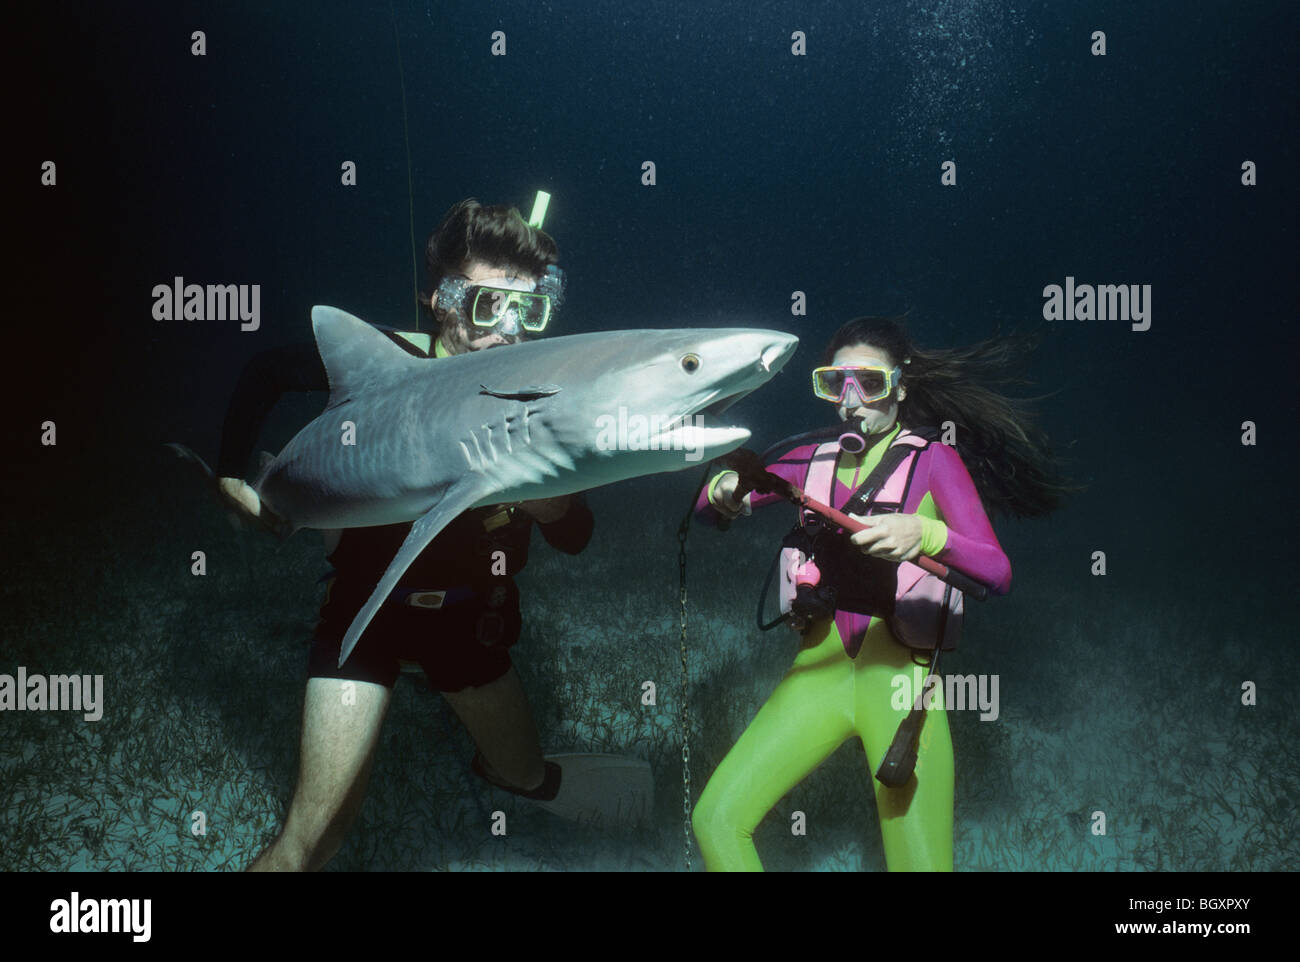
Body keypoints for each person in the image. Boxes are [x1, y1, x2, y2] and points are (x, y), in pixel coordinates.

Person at [217, 198, 606, 871]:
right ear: (439, 298)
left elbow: (576, 537)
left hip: (471, 621)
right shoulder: (382, 364)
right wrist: (229, 475)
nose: (507, 330)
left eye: (528, 309)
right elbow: (265, 374)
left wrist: (547, 500)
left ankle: (500, 769)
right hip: (365, 616)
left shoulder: (542, 389)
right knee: (307, 844)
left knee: (522, 774)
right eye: (486, 306)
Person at [691, 314, 1068, 871]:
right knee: (717, 820)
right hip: (814, 680)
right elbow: (708, 510)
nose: (850, 401)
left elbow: (997, 572)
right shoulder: (806, 460)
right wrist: (720, 488)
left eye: (869, 383)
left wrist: (927, 533)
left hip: (899, 688)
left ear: (900, 387)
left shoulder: (933, 460)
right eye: (834, 383)